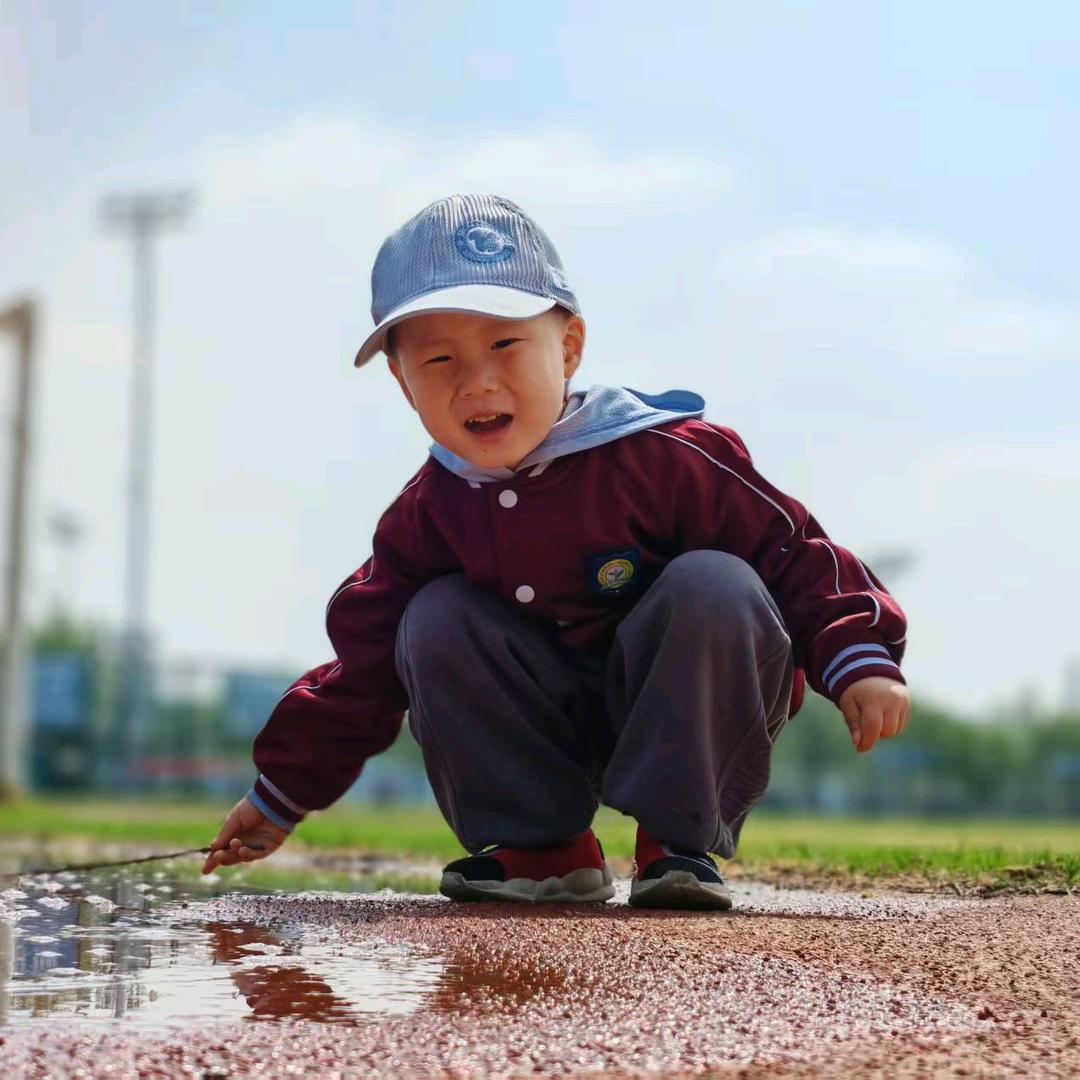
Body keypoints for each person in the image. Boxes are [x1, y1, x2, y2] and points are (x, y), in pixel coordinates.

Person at [202, 194, 910, 910]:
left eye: (505, 346)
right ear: (401, 380)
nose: (477, 381)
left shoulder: (665, 456)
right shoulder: (430, 514)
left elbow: (791, 550)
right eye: (440, 359)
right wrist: (281, 794)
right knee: (430, 615)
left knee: (718, 583)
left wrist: (858, 656)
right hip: (539, 725)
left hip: (678, 715)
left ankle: (677, 845)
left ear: (568, 347)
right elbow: (363, 670)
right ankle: (542, 846)